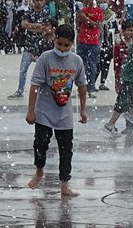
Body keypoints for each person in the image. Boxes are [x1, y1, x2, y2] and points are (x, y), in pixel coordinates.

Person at [26, 24, 88, 198]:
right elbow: (35, 86)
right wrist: (31, 111)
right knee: (40, 145)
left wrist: (83, 110)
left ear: (72, 44)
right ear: (54, 40)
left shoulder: (76, 61)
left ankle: (65, 184)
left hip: (65, 115)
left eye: (66, 46)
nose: (62, 49)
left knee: (66, 150)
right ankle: (39, 171)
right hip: (44, 113)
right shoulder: (45, 58)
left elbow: (82, 86)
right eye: (59, 44)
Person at [8, 0, 54, 99]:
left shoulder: (46, 13)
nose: (39, 2)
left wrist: (31, 27)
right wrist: (37, 26)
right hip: (29, 45)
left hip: (43, 46)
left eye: (41, 0)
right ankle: (20, 91)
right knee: (23, 69)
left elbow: (45, 28)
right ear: (33, 1)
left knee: (47, 70)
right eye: (37, 0)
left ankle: (48, 90)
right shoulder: (28, 12)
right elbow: (23, 25)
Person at [75, 0, 104, 97]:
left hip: (93, 42)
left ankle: (91, 88)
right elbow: (77, 25)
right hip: (82, 41)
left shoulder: (98, 11)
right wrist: (79, 18)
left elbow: (98, 25)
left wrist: (86, 19)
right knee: (80, 65)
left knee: (92, 66)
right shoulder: (82, 11)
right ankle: (80, 88)